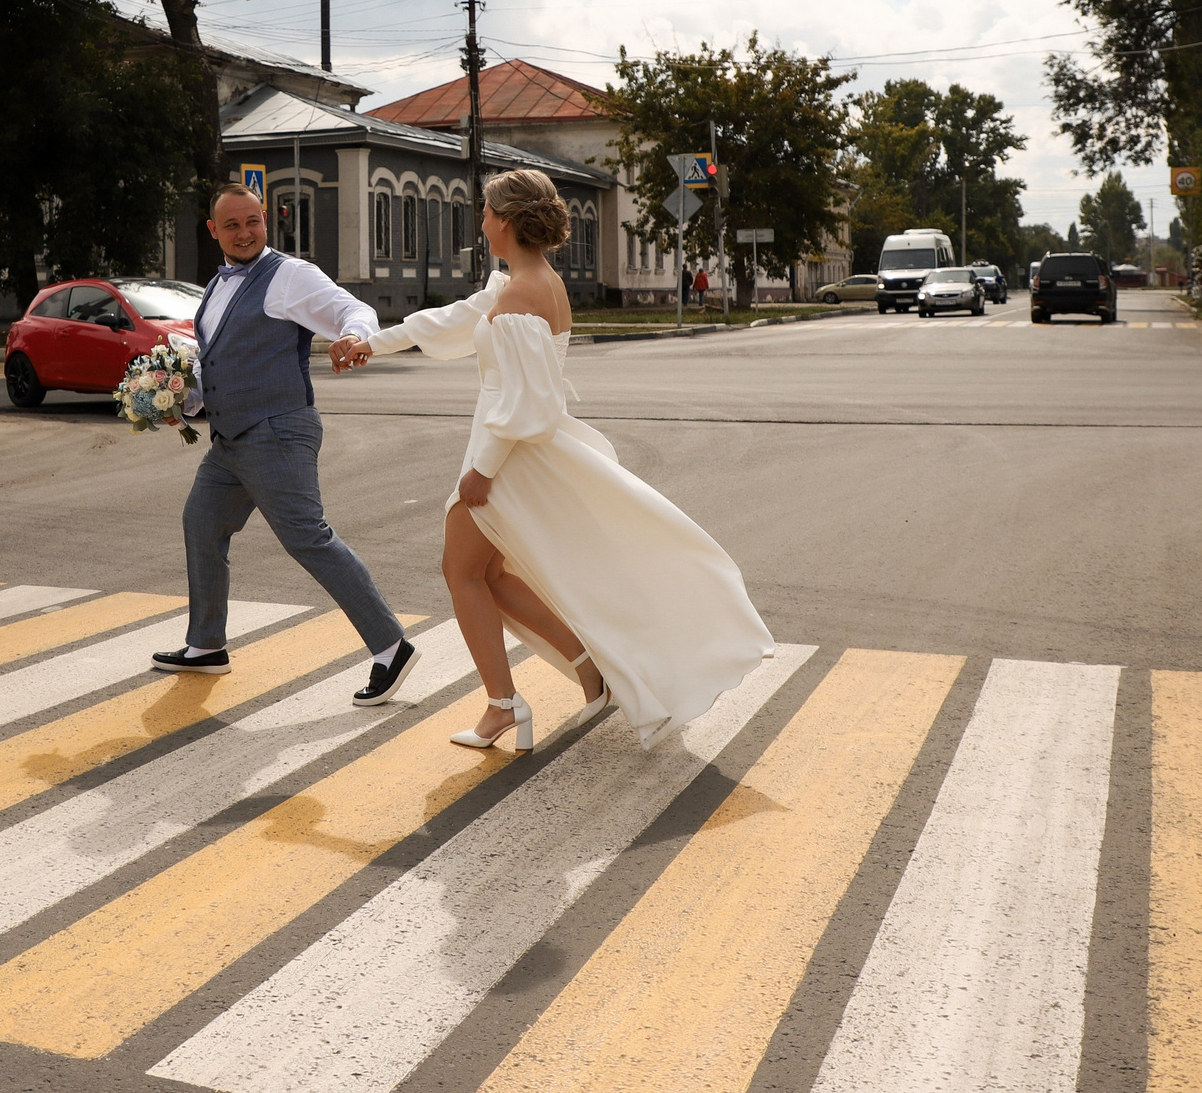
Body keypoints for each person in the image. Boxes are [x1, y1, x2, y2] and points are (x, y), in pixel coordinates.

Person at [334, 169, 773, 749]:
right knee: (485, 574)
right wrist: (372, 341)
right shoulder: (525, 281)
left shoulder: (522, 293)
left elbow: (530, 402)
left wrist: (482, 471)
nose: (483, 223)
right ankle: (585, 667)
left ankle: (504, 706)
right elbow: (455, 319)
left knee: (462, 572)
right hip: (508, 448)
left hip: (509, 456)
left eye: (488, 213)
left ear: (508, 220)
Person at [156, 184, 420, 708]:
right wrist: (180, 399)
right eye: (232, 225)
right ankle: (206, 644)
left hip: (277, 429)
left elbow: (355, 309)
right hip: (231, 438)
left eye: (253, 221)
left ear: (265, 221)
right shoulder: (215, 288)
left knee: (308, 538)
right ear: (214, 232)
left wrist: (354, 337)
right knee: (202, 523)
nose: (245, 232)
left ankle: (392, 646)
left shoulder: (289, 275)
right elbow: (216, 363)